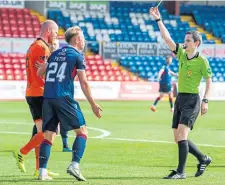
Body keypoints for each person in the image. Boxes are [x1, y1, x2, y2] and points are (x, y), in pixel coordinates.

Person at [150, 7, 212, 179]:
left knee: (182, 135)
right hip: (180, 99)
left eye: (188, 41)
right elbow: (167, 38)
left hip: (192, 100)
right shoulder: (182, 55)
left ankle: (180, 172)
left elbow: (209, 80)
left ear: (196, 43)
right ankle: (203, 158)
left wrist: (205, 100)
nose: (184, 43)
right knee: (178, 138)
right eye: (184, 40)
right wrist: (158, 20)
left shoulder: (202, 60)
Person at [37, 26, 102, 181]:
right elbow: (84, 82)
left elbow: (43, 73)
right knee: (83, 132)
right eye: (83, 38)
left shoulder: (55, 54)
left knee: (48, 136)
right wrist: (93, 104)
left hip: (48, 98)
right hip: (64, 97)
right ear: (77, 39)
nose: (85, 41)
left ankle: (42, 172)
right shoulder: (77, 56)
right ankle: (75, 165)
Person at [13, 20, 59, 177]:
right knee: (50, 131)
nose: (56, 35)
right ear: (48, 31)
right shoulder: (42, 47)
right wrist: (54, 58)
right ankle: (22, 152)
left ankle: (40, 169)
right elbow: (43, 72)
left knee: (41, 132)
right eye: (55, 32)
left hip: (33, 92)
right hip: (40, 93)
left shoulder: (34, 45)